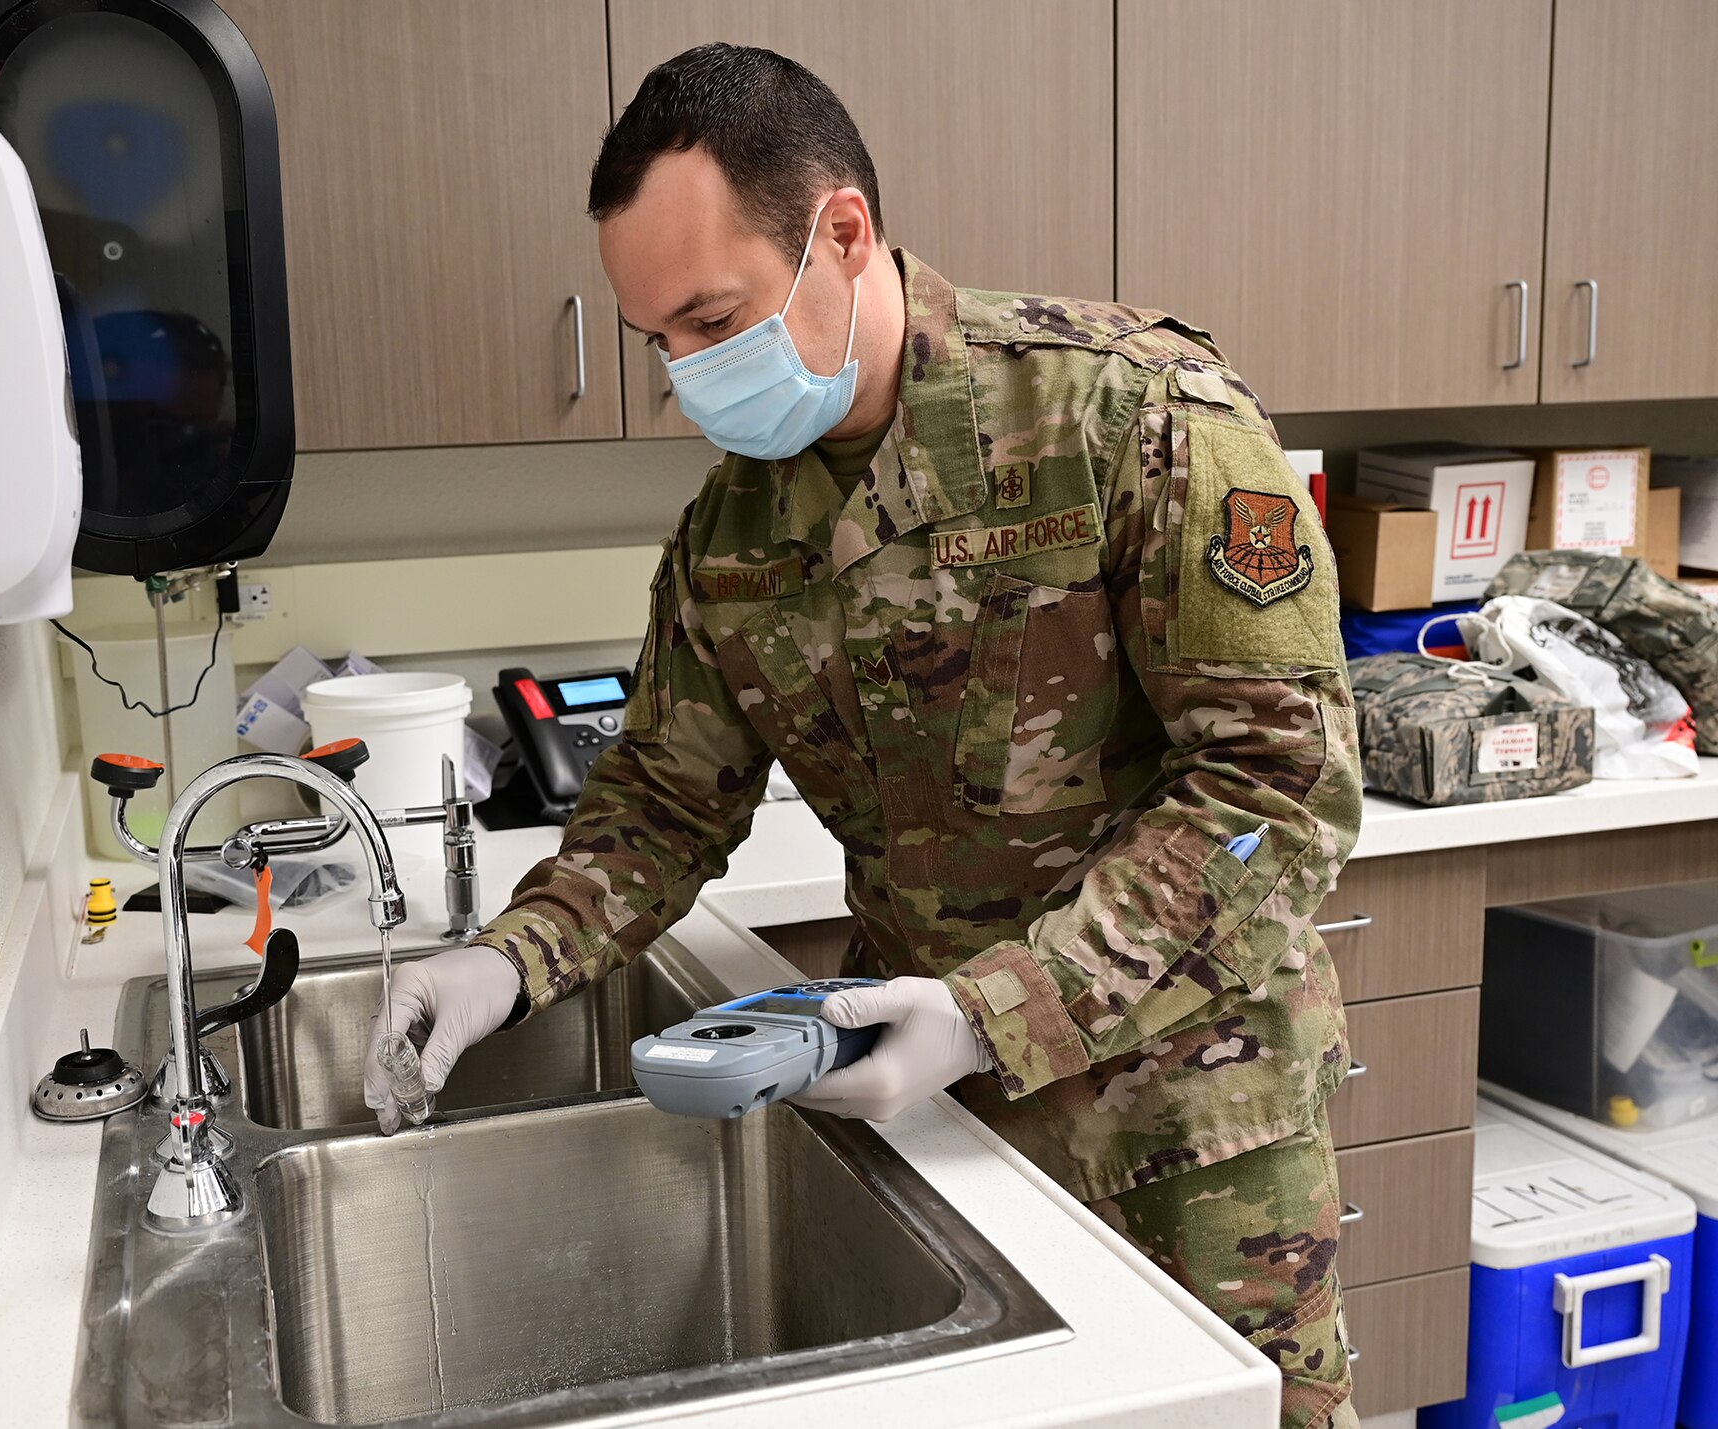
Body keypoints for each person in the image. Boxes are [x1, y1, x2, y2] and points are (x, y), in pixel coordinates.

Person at [365, 43, 1362, 1429]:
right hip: (933, 1122)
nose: (692, 376)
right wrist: (507, 958)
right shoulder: (735, 530)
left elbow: (1281, 790)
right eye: (661, 341)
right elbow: (662, 797)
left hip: (1184, 1138)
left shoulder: (1127, 416)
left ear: (842, 232)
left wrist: (986, 1012)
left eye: (713, 320)